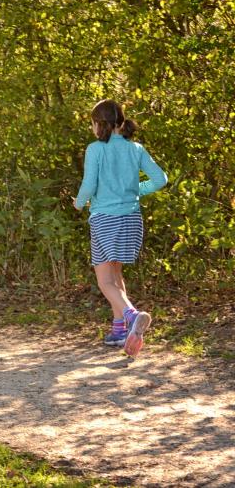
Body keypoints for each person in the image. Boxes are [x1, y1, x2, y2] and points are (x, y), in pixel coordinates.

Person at [74, 99, 167, 357]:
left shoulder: (95, 150)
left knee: (104, 280)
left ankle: (131, 315)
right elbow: (161, 179)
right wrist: (137, 190)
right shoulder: (135, 148)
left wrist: (79, 203)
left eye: (93, 123)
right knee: (116, 276)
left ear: (99, 124)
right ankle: (119, 330)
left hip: (105, 218)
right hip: (131, 219)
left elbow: (89, 184)